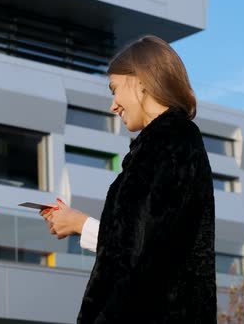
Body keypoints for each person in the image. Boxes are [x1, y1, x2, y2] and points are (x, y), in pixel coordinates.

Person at [41, 35, 216, 323]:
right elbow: (144, 242)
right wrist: (79, 224)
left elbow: (136, 253)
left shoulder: (167, 143)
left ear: (141, 82)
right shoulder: (170, 143)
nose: (113, 105)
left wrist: (80, 224)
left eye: (115, 89)